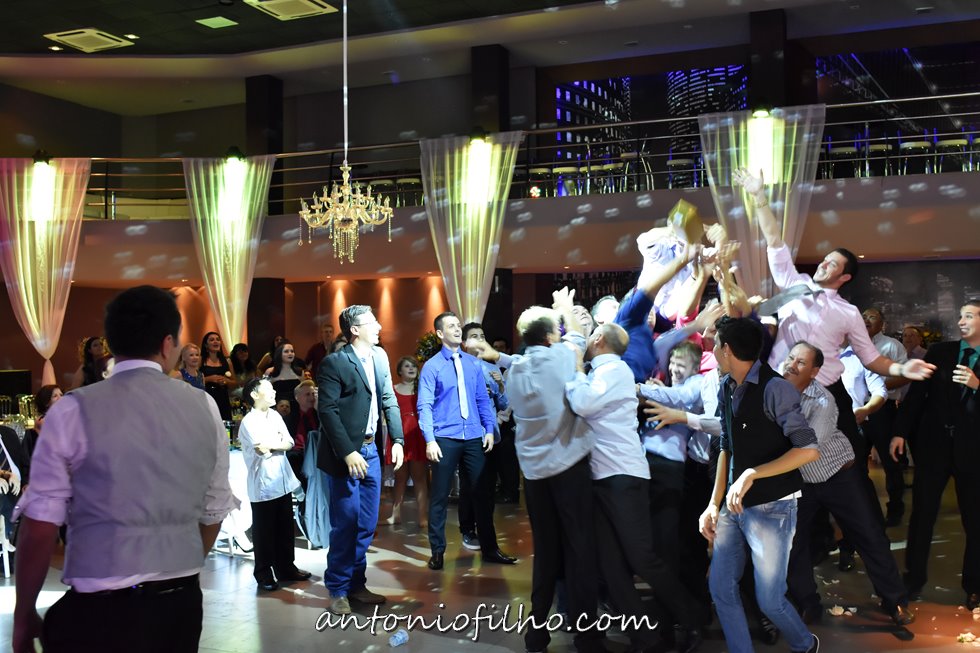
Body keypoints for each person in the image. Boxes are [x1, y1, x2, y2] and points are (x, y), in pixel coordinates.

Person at [12, 285, 237, 653]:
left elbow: (39, 525)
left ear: (112, 344)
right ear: (167, 344)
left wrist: (24, 613)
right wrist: (177, 564)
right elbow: (215, 508)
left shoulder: (71, 409)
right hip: (177, 606)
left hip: (99, 610)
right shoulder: (204, 406)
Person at [480, 287, 605, 653]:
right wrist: (565, 307)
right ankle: (587, 637)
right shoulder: (561, 358)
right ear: (551, 336)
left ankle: (536, 632)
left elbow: (514, 360)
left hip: (534, 475)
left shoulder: (517, 369)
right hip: (568, 468)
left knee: (546, 552)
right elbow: (578, 339)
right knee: (580, 549)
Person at [566, 322, 703, 653]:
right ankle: (646, 637)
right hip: (603, 476)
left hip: (623, 477)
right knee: (612, 566)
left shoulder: (614, 370)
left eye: (590, 334)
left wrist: (575, 368)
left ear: (598, 340)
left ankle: (693, 617)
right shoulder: (603, 372)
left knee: (642, 558)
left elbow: (582, 403)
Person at [699, 316, 820, 653]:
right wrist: (713, 503)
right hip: (733, 507)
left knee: (770, 600)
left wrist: (752, 473)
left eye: (715, 344)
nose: (712, 349)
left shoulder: (775, 388)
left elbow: (808, 450)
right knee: (721, 588)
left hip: (774, 506)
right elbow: (726, 447)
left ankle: (805, 644)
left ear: (726, 349)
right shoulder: (727, 385)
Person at [781, 341, 914, 627]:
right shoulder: (772, 393)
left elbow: (807, 445)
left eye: (801, 362)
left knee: (868, 534)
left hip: (837, 474)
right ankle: (807, 602)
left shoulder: (823, 400)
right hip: (800, 480)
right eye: (790, 358)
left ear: (814, 371)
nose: (792, 365)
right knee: (793, 541)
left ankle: (894, 600)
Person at [891, 300, 980, 610]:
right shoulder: (941, 352)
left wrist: (978, 385)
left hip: (973, 452)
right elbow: (917, 396)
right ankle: (913, 580)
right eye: (960, 316)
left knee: (975, 521)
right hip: (933, 447)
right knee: (922, 515)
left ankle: (974, 587)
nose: (962, 321)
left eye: (969, 316)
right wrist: (900, 432)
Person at [317, 305, 404, 615]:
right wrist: (348, 451)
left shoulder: (380, 356)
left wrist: (398, 439)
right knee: (346, 524)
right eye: (372, 322)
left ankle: (356, 584)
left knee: (366, 524)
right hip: (346, 455)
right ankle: (338, 589)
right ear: (355, 330)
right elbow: (327, 410)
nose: (379, 326)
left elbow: (388, 399)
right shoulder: (335, 363)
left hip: (372, 451)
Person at [417, 311, 514, 570]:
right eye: (451, 326)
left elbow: (482, 399)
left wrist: (489, 429)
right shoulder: (432, 366)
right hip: (445, 436)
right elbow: (424, 405)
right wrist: (430, 440)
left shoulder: (473, 364)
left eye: (458, 325)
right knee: (439, 496)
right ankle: (437, 551)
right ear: (440, 333)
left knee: (482, 494)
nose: (457, 329)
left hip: (473, 436)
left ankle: (490, 548)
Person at [237, 377, 311, 591]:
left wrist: (274, 444)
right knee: (264, 532)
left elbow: (288, 443)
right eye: (268, 389)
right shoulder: (249, 421)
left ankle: (286, 568)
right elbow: (262, 450)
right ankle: (263, 574)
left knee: (285, 528)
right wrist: (275, 444)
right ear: (254, 394)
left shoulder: (276, 415)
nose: (273, 392)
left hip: (281, 480)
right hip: (263, 485)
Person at [385, 356, 429, 529]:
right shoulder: (392, 389)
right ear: (399, 371)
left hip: (417, 436)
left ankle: (423, 517)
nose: (411, 368)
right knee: (400, 478)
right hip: (399, 436)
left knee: (420, 478)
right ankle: (395, 515)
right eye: (407, 366)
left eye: (414, 366)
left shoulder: (422, 389)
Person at [201, 331, 235, 421]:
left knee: (224, 423)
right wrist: (209, 379)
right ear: (206, 345)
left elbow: (235, 383)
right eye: (212, 340)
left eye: (218, 339)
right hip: (206, 396)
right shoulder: (201, 360)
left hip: (223, 397)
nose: (215, 341)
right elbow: (193, 380)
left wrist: (226, 381)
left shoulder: (227, 361)